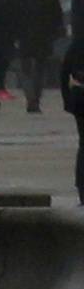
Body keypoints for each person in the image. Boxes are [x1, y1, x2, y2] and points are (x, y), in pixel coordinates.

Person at [17, 0, 67, 113]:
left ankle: (29, 97)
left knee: (25, 70)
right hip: (44, 39)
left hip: (25, 38)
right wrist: (54, 34)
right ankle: (36, 98)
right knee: (40, 69)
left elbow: (15, 18)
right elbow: (58, 19)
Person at [64, 34, 84, 206]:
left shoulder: (78, 42)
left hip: (80, 98)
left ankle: (82, 188)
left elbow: (64, 70)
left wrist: (67, 100)